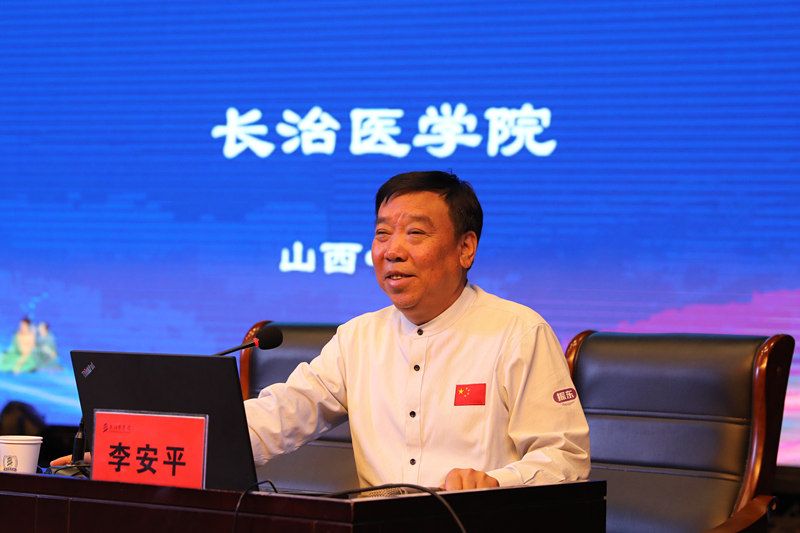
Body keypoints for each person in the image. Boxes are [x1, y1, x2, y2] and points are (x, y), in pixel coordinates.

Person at [244, 170, 590, 490]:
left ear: (465, 248)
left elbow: (564, 458)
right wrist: (212, 429)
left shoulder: (518, 333)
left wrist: (496, 483)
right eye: (382, 234)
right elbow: (285, 413)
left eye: (415, 233)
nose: (392, 251)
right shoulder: (358, 338)